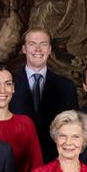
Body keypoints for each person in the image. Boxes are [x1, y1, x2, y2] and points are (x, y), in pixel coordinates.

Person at [12, 28, 78, 163]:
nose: (38, 49)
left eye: (43, 44)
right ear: (24, 49)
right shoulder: (8, 85)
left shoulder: (66, 87)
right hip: (17, 163)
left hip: (55, 164)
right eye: (32, 44)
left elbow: (74, 129)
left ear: (49, 49)